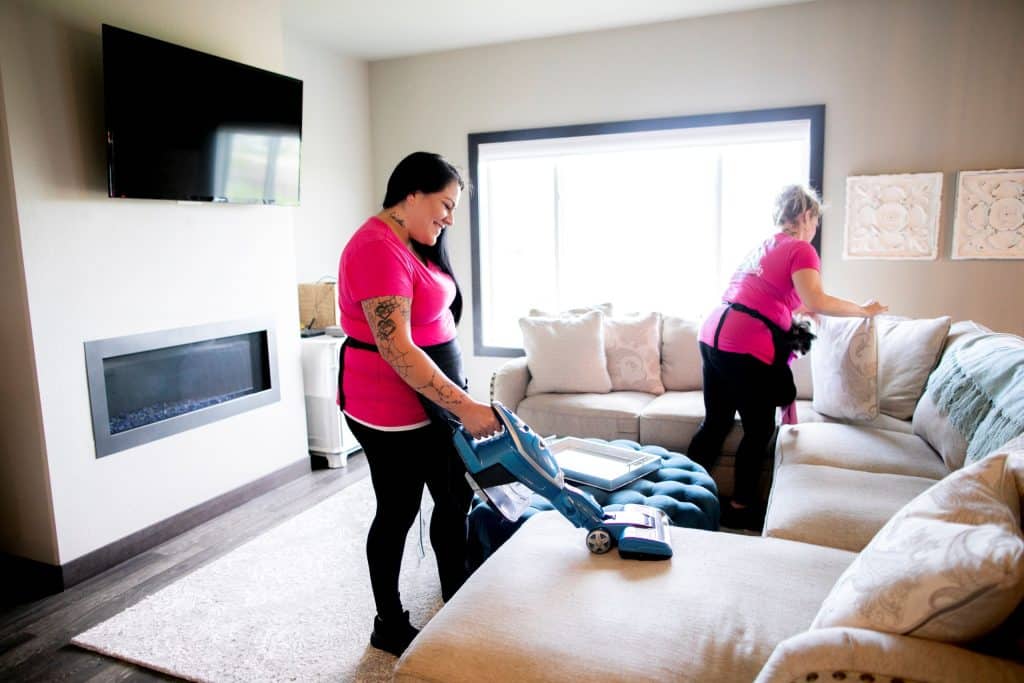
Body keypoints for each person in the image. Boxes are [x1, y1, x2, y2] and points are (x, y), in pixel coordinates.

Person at [337, 151, 501, 656]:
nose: (449, 218)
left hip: (435, 406)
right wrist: (469, 407)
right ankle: (389, 623)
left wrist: (457, 401)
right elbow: (397, 348)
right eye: (445, 205)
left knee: (454, 500)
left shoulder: (417, 239)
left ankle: (456, 599)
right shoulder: (375, 247)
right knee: (399, 510)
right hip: (389, 410)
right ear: (411, 194)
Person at [687, 184, 887, 531]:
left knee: (716, 422)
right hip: (744, 340)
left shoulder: (762, 248)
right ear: (807, 216)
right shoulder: (801, 249)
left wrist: (808, 311)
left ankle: (688, 493)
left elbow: (780, 298)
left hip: (712, 332)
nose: (815, 230)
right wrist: (862, 310)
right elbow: (817, 298)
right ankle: (741, 504)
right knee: (759, 428)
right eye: (816, 222)